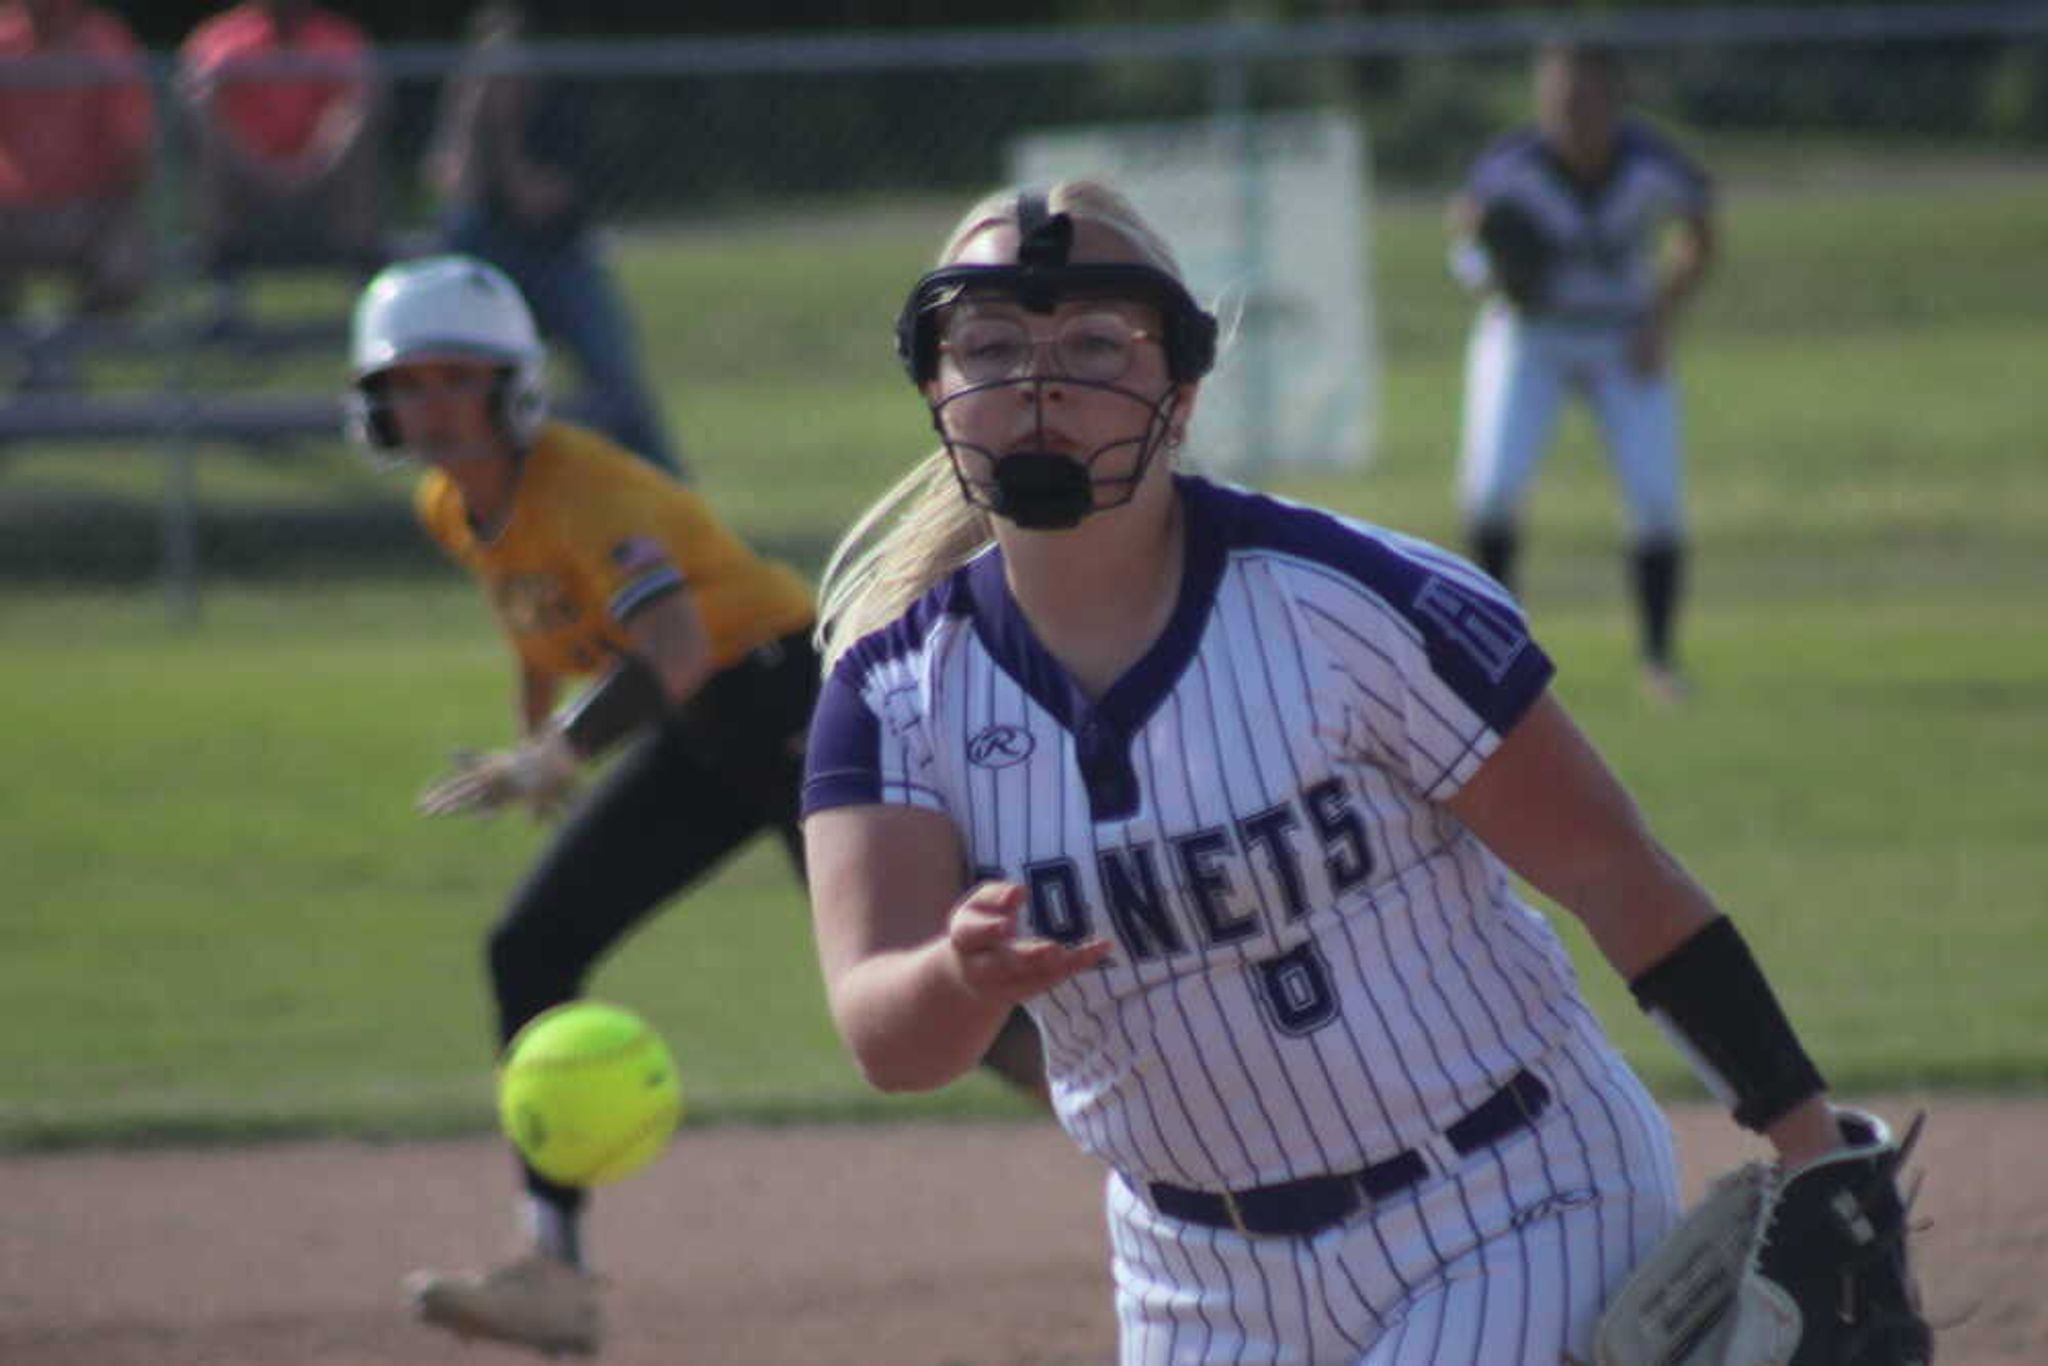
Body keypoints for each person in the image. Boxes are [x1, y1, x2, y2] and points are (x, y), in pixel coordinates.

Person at [800, 180, 1921, 1362]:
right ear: (936, 387)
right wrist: (958, 974)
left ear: (1178, 393)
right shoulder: (890, 697)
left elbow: (1607, 868)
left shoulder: (1351, 606)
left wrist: (1810, 1139)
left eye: (1092, 342)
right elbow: (889, 1040)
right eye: (989, 345)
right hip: (1192, 1273)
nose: (1039, 384)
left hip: (1505, 1200)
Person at [346, 255, 1043, 1358]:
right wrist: (541, 744)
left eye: (453, 379)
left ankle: (1181, 1151)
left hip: (788, 702)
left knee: (942, 992)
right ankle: (554, 1273)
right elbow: (537, 625)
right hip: (701, 728)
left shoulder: (589, 489)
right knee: (530, 947)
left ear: (507, 386)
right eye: (407, 384)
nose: (428, 404)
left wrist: (558, 753)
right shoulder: (456, 505)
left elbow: (670, 645)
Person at [1448, 41, 1715, 705]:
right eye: (1560, 99)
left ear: (1616, 99)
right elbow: (1467, 231)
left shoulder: (1650, 161)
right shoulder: (1513, 164)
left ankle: (1659, 660)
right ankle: (1496, 661)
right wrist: (1491, 277)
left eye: (1586, 98)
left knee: (1655, 498)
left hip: (1622, 336)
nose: (1572, 113)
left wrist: (1661, 315)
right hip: (1531, 336)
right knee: (1492, 490)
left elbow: (1700, 226)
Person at [423, 1, 684, 476]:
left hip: (558, 261)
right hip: (489, 270)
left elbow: (535, 201)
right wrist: (468, 114)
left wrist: (504, 134)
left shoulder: (560, 111)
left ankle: (671, 491)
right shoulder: (469, 118)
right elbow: (453, 192)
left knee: (616, 380)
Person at [177, 0, 382, 288]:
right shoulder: (221, 41)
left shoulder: (338, 38)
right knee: (211, 162)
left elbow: (358, 105)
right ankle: (223, 304)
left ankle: (363, 292)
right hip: (243, 178)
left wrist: (314, 165)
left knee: (358, 164)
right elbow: (200, 106)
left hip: (324, 179)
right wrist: (255, 167)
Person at [0, 0, 153, 356]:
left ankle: (58, 352)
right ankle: (25, 350)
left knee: (125, 266)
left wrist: (104, 205)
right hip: (10, 210)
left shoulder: (106, 47)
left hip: (91, 211)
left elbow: (131, 152)